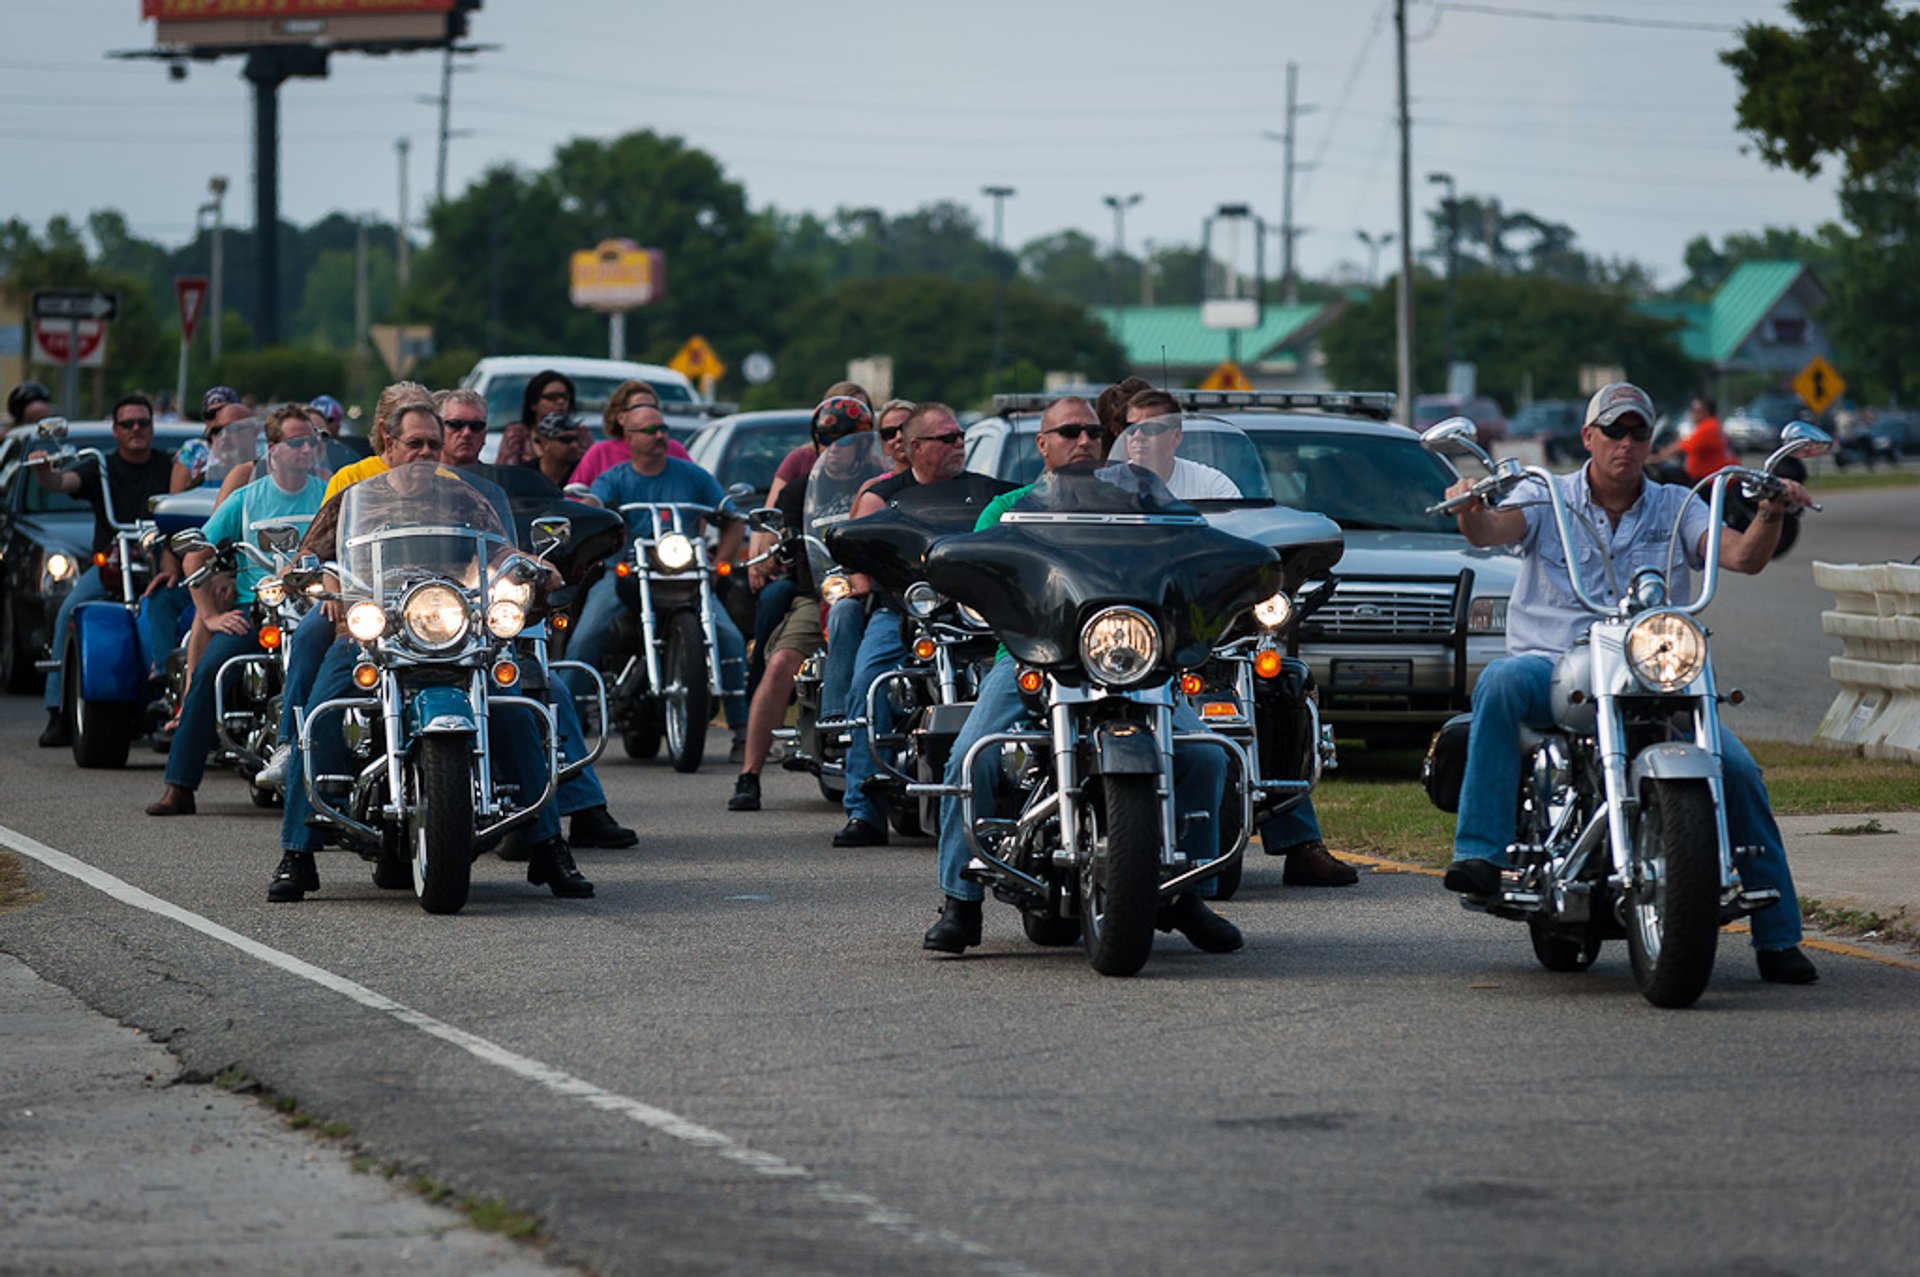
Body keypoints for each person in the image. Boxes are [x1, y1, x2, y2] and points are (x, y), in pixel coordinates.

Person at [1440, 381, 1819, 984]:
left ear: (1650, 440)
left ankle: (1778, 938)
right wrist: (1468, 505)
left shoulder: (1678, 505)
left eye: (1637, 431)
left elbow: (1743, 556)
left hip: (1650, 673)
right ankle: (1479, 854)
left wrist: (1771, 510)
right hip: (1559, 667)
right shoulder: (1546, 496)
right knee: (1501, 682)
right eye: (1613, 430)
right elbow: (1490, 531)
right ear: (1588, 437)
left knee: (1738, 768)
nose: (1625, 442)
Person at [922, 396, 1243, 956]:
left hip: (1132, 656)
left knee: (1206, 754)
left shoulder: (1143, 501)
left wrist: (1232, 565)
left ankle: (1190, 892)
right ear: (1042, 443)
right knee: (972, 753)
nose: (1085, 440)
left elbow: (1192, 547)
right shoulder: (1010, 510)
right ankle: (960, 903)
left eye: (1094, 431)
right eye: (1069, 431)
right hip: (1029, 659)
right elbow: (976, 565)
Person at [271, 399, 593, 903]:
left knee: (513, 714)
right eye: (414, 443)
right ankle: (297, 853)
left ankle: (549, 847)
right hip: (372, 635)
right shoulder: (353, 498)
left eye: (433, 445)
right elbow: (309, 554)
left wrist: (527, 562)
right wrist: (321, 572)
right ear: (389, 445)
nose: (425, 454)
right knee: (323, 713)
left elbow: (499, 545)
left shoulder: (463, 498)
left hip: (456, 628)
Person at [433, 387, 637, 851]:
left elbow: (527, 536)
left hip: (491, 617)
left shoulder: (506, 486)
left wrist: (544, 560)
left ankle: (585, 809)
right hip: (425, 621)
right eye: (455, 425)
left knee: (547, 686)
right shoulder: (407, 486)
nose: (467, 434)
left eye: (476, 426)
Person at [833, 401, 1004, 846]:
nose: (959, 444)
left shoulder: (989, 493)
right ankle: (864, 810)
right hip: (906, 614)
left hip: (978, 615)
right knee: (869, 684)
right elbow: (854, 554)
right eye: (947, 438)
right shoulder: (883, 496)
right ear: (914, 447)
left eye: (961, 436)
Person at [144, 405, 328, 816]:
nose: (306, 450)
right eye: (296, 442)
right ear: (274, 449)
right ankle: (179, 785)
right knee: (211, 670)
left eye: (312, 442)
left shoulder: (329, 494)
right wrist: (208, 615)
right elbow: (195, 555)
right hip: (258, 607)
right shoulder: (246, 500)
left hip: (317, 608)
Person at [564, 392, 748, 752]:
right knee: (585, 637)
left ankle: (741, 729)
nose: (659, 435)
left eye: (662, 428)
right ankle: (561, 728)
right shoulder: (614, 478)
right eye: (649, 430)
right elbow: (591, 511)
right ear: (628, 437)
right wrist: (594, 515)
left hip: (686, 575)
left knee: (730, 638)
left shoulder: (692, 476)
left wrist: (715, 567)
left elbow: (732, 519)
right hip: (628, 574)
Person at [726, 395, 880, 813]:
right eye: (827, 438)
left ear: (865, 443)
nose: (836, 447)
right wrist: (781, 544)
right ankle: (749, 775)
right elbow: (777, 533)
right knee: (779, 663)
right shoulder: (800, 488)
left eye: (846, 439)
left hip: (874, 593)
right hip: (817, 594)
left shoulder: (879, 483)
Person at [28, 392, 184, 748]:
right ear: (115, 429)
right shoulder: (100, 465)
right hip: (113, 563)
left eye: (143, 423)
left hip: (162, 561)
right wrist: (43, 469)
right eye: (127, 423)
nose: (136, 429)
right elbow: (60, 483)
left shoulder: (169, 467)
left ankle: (172, 699)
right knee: (70, 609)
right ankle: (57, 712)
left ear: (152, 426)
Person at [568, 380, 692, 489]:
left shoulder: (674, 450)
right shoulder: (600, 453)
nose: (647, 412)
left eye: (653, 408)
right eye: (639, 408)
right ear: (621, 417)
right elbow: (575, 497)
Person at [1120, 389, 1242, 499]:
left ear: (1176, 437)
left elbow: (1237, 521)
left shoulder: (1213, 485)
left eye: (1151, 428)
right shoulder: (1106, 486)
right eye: (1130, 428)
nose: (1137, 436)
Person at [496, 369, 574, 469]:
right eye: (552, 397)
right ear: (533, 404)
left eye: (565, 397)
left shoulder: (580, 435)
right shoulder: (517, 434)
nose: (560, 402)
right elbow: (504, 474)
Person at [1651, 395, 1738, 483]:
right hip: (1716, 478)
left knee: (1669, 475)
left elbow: (1681, 447)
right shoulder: (1711, 425)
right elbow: (1685, 442)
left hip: (1712, 482)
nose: (1692, 414)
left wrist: (1657, 457)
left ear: (1706, 412)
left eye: (1695, 411)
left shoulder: (1708, 427)